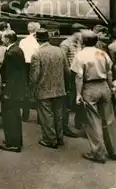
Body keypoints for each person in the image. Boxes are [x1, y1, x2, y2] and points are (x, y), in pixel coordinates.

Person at [71, 30, 116, 163]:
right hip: (104, 86)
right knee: (109, 119)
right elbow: (109, 72)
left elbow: (79, 76)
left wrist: (78, 94)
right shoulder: (103, 53)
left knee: (93, 121)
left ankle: (98, 153)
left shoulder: (80, 55)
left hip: (89, 87)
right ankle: (114, 150)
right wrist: (110, 87)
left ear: (83, 41)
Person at [30, 28, 69, 149]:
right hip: (59, 88)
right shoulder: (60, 51)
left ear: (37, 39)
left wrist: (32, 87)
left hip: (43, 88)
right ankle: (59, 138)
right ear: (49, 38)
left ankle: (50, 140)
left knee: (46, 115)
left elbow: (35, 75)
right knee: (58, 114)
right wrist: (66, 86)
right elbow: (67, 70)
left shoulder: (37, 54)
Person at [0, 30, 28, 152]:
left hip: (11, 90)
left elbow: (10, 75)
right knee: (15, 116)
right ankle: (16, 141)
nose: (1, 40)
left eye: (3, 37)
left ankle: (12, 143)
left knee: (9, 116)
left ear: (7, 39)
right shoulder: (18, 50)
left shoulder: (11, 53)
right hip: (17, 89)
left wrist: (6, 91)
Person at [60, 23, 87, 137]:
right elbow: (63, 63)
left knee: (81, 100)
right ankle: (64, 127)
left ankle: (79, 123)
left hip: (80, 74)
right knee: (68, 102)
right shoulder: (65, 44)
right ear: (75, 33)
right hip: (70, 75)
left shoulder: (80, 44)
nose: (82, 35)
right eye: (81, 33)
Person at [19, 22, 41, 122]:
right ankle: (40, 118)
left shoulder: (23, 41)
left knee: (26, 91)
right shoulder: (37, 43)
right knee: (38, 90)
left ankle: (25, 115)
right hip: (34, 65)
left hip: (24, 66)